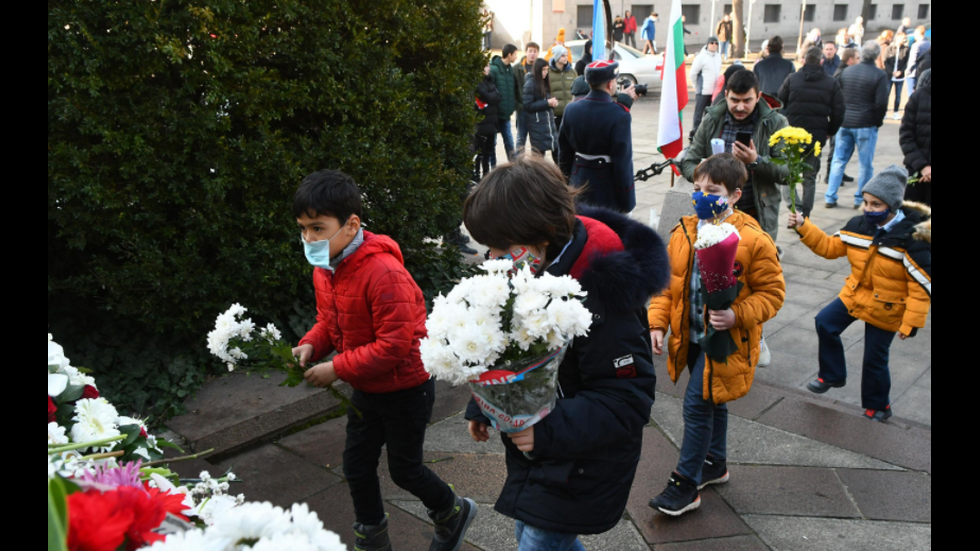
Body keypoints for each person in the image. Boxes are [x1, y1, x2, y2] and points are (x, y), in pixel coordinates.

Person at [463, 156, 667, 551]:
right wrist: (483, 406)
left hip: (583, 462)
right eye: (487, 248)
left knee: (539, 540)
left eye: (501, 247)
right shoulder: (530, 272)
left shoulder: (602, 293)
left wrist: (545, 431)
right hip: (542, 450)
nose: (492, 259)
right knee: (533, 532)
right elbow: (509, 352)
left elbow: (627, 399)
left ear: (542, 233)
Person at [293, 171, 477, 551]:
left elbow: (393, 345)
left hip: (406, 387)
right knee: (356, 466)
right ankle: (371, 535)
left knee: (405, 469)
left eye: (317, 228)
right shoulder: (325, 269)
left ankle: (451, 512)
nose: (309, 238)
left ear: (351, 225)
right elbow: (330, 321)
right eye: (303, 229)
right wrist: (312, 344)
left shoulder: (383, 273)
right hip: (367, 385)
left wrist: (337, 368)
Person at [648, 154, 786, 517]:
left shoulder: (753, 240)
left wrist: (736, 313)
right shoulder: (684, 230)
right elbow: (667, 285)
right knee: (713, 400)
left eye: (712, 191)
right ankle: (715, 463)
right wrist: (657, 323)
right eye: (696, 189)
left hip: (725, 343)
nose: (701, 197)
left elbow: (773, 294)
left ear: (735, 195)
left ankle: (686, 483)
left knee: (697, 405)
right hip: (690, 338)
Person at [789, 165, 932, 422]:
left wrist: (911, 322)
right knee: (825, 321)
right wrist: (803, 226)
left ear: (893, 205)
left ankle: (879, 406)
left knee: (874, 359)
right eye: (865, 202)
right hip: (856, 294)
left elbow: (922, 284)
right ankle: (832, 375)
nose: (868, 209)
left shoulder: (911, 238)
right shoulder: (859, 225)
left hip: (889, 305)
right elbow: (830, 248)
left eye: (876, 205)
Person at [683, 70, 790, 243]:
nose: (740, 107)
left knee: (754, 265)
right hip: (715, 214)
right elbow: (688, 162)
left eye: (747, 100)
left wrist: (756, 161)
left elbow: (788, 173)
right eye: (734, 100)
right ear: (726, 95)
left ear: (758, 96)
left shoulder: (776, 123)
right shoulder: (712, 119)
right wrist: (708, 179)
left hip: (756, 214)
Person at [559, 60, 637, 213]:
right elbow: (623, 163)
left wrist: (566, 185)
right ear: (610, 84)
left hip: (577, 182)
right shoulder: (619, 115)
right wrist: (627, 201)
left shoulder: (571, 108)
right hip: (605, 189)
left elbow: (564, 153)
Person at [778, 47, 845, 219]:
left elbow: (780, 100)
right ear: (821, 61)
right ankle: (805, 214)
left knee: (788, 176)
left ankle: (795, 209)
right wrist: (830, 131)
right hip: (815, 137)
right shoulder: (831, 83)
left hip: (793, 135)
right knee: (809, 177)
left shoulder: (792, 79)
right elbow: (839, 111)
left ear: (804, 60)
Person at [826, 41, 888, 209]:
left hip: (845, 122)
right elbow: (881, 103)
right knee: (865, 164)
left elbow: (838, 96)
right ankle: (860, 199)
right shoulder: (879, 75)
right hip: (865, 123)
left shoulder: (848, 71)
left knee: (838, 160)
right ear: (877, 56)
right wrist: (877, 121)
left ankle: (830, 196)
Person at [900, 69, 931, 206]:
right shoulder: (918, 97)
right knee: (913, 221)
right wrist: (923, 166)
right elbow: (906, 136)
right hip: (917, 174)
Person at [490, 44, 523, 162]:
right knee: (491, 144)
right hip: (494, 115)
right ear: (509, 55)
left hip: (506, 114)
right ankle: (492, 168)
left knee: (509, 142)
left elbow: (513, 90)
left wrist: (514, 104)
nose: (516, 56)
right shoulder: (493, 69)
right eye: (515, 54)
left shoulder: (510, 70)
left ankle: (513, 167)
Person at [524, 58, 560, 159]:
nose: (546, 72)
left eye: (547, 70)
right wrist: (546, 103)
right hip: (537, 124)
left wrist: (552, 103)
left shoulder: (544, 82)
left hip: (548, 122)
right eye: (543, 70)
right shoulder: (530, 83)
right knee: (538, 156)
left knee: (556, 151)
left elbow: (545, 101)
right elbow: (527, 105)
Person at [690, 37, 723, 140]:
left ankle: (707, 132)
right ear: (707, 44)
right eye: (711, 43)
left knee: (710, 114)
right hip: (703, 90)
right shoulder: (701, 57)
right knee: (699, 112)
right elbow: (693, 73)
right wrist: (696, 86)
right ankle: (695, 132)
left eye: (716, 43)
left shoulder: (718, 57)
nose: (714, 45)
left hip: (714, 91)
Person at [474, 65, 502, 181]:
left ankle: (486, 176)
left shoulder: (490, 81)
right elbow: (488, 96)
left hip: (491, 124)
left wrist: (491, 98)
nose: (488, 68)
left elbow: (498, 97)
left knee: (488, 153)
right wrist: (491, 98)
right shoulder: (477, 83)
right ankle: (476, 176)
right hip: (481, 125)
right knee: (479, 153)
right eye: (486, 66)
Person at [515, 43, 541, 152]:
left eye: (535, 51)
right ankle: (518, 165)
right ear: (526, 52)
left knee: (537, 141)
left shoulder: (541, 67)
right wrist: (518, 105)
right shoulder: (517, 68)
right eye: (530, 51)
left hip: (536, 109)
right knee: (521, 139)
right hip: (522, 110)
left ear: (538, 53)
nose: (532, 54)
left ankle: (535, 166)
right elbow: (513, 88)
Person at [548, 45, 577, 139]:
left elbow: (576, 89)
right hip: (555, 113)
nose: (566, 58)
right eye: (563, 56)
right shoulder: (548, 72)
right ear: (556, 57)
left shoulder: (572, 72)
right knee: (556, 140)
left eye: (566, 55)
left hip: (570, 113)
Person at [883, 32, 910, 120]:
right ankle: (885, 112)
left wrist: (901, 71)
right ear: (898, 38)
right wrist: (891, 72)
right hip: (889, 76)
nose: (905, 40)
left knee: (898, 96)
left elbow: (906, 62)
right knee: (886, 94)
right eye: (903, 38)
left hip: (900, 76)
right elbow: (885, 61)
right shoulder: (889, 48)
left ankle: (896, 112)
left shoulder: (906, 49)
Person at [906, 26, 930, 95]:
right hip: (925, 72)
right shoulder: (929, 43)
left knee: (912, 95)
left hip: (914, 73)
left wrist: (908, 71)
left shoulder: (916, 45)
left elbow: (912, 61)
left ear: (917, 34)